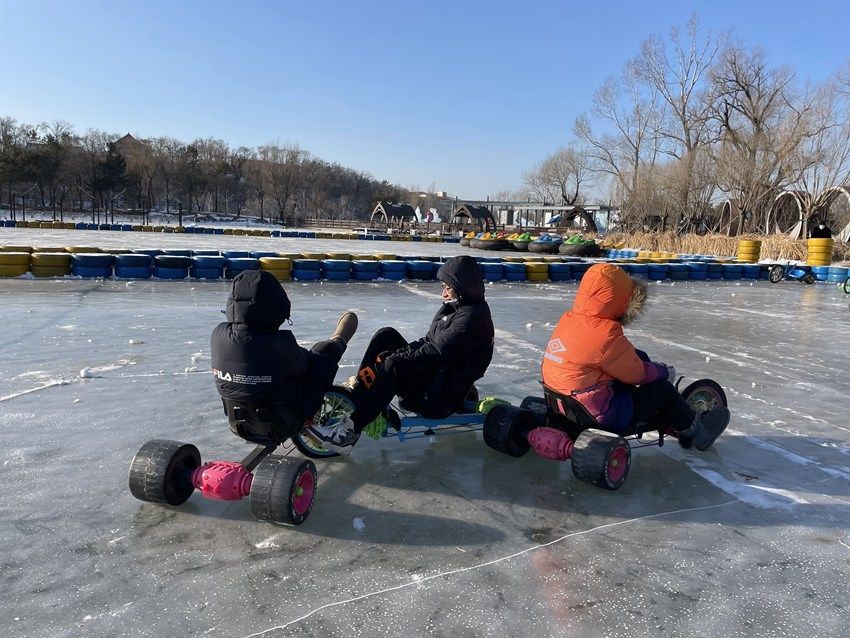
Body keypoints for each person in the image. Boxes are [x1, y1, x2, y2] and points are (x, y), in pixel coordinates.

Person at [306, 255, 494, 454]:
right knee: (386, 336)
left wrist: (396, 359)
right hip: (436, 376)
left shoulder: (473, 319)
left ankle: (346, 435)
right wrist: (399, 353)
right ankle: (362, 392)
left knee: (393, 364)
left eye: (447, 287)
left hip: (439, 396)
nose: (444, 292)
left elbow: (436, 351)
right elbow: (428, 341)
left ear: (461, 286)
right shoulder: (455, 308)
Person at [541, 263, 729, 451]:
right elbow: (636, 374)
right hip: (598, 415)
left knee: (639, 356)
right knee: (663, 389)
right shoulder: (604, 334)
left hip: (564, 405)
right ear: (620, 300)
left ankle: (652, 408)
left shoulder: (569, 320)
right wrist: (663, 371)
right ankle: (696, 434)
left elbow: (612, 358)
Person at [211, 269, 358, 437]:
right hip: (284, 422)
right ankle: (338, 340)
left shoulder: (217, 334)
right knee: (323, 353)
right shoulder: (279, 343)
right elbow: (304, 365)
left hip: (238, 424)